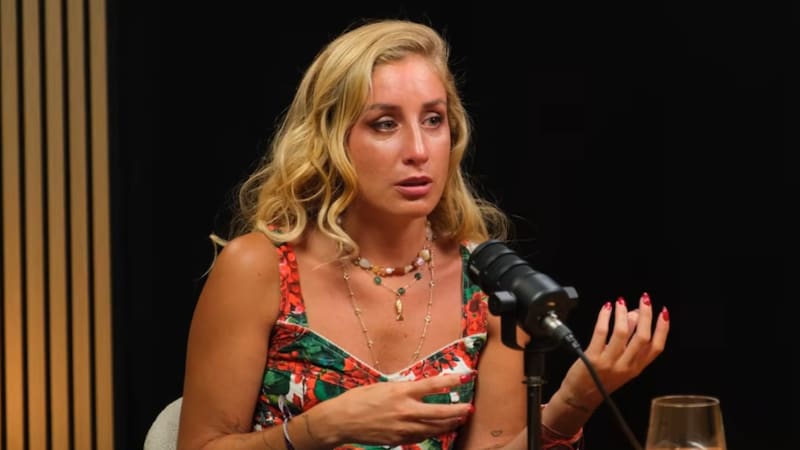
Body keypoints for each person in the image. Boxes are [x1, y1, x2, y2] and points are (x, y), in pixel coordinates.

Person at [176, 18, 670, 450]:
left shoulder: (489, 283)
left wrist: (574, 400)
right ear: (330, 139)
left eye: (433, 120)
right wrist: (318, 429)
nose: (418, 149)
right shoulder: (259, 268)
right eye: (384, 124)